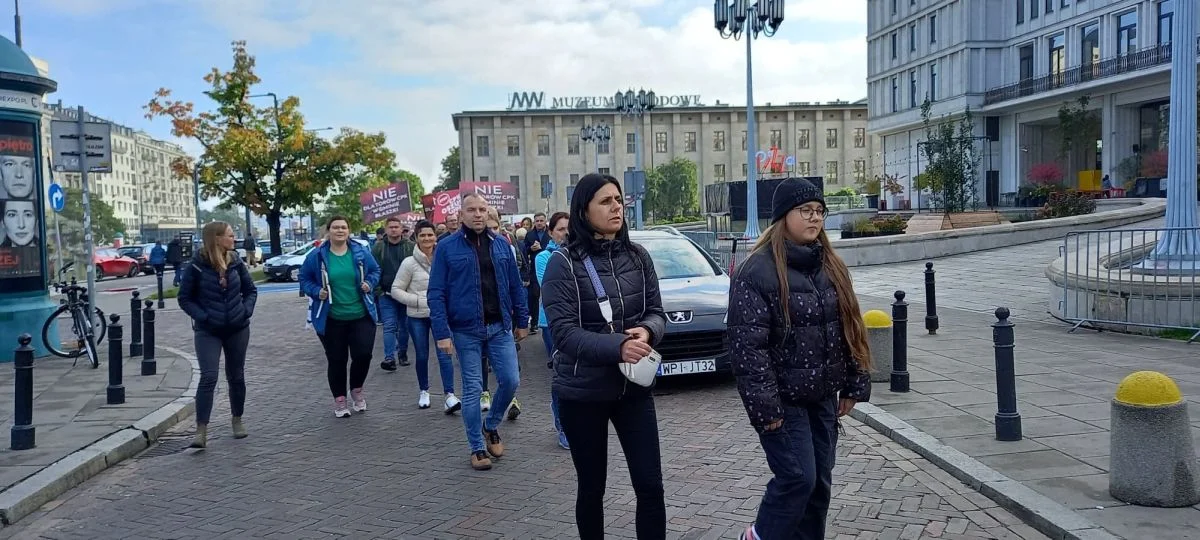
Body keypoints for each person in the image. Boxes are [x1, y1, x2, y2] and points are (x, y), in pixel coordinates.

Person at [727, 178, 872, 540]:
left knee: (819, 483)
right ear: (783, 216)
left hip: (821, 397)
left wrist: (856, 382)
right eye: (805, 211)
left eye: (820, 211)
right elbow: (748, 349)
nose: (815, 218)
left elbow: (851, 326)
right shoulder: (755, 271)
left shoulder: (831, 266)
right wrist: (767, 410)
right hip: (782, 401)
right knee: (797, 479)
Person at [541, 173, 667, 540]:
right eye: (606, 201)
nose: (617, 207)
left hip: (633, 390)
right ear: (584, 210)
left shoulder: (638, 256)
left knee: (650, 486)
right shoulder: (562, 264)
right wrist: (618, 347)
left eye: (619, 200)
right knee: (592, 488)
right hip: (582, 393)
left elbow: (657, 311)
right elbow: (563, 334)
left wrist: (647, 331)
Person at [427, 193, 529, 471]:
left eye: (482, 209)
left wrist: (522, 320)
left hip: (499, 327)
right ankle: (476, 447)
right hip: (465, 330)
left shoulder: (501, 246)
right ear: (461, 215)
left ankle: (491, 424)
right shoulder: (447, 248)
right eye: (471, 209)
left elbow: (515, 286)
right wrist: (441, 333)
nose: (477, 214)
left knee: (510, 380)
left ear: (488, 213)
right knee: (472, 389)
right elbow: (435, 293)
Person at [176, 221, 257, 449]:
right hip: (208, 330)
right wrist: (203, 316)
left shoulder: (236, 261)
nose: (234, 239)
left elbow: (250, 290)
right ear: (217, 238)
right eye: (230, 236)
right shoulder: (197, 265)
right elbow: (184, 298)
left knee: (236, 376)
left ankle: (237, 419)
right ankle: (201, 431)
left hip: (237, 328)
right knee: (209, 376)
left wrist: (245, 311)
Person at [299, 215, 381, 418]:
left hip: (360, 313)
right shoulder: (317, 255)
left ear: (348, 230)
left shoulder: (360, 252)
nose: (340, 231)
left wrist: (369, 284)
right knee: (337, 359)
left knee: (363, 355)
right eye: (335, 227)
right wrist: (317, 290)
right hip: (332, 317)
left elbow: (375, 271)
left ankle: (357, 390)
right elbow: (304, 278)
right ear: (328, 231)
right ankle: (340, 399)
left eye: (343, 227)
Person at [391, 219, 461, 413]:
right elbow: (396, 289)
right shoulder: (409, 263)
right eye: (422, 235)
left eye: (430, 234)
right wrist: (419, 300)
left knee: (445, 353)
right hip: (417, 316)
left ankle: (449, 394)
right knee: (422, 354)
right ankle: (424, 391)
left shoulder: (444, 258)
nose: (427, 238)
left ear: (435, 236)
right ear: (416, 238)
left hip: (441, 315)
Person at [534, 211, 570, 450]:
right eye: (560, 230)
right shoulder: (543, 258)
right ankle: (562, 425)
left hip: (579, 322)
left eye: (569, 230)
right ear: (550, 232)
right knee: (561, 374)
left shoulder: (579, 253)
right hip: (553, 323)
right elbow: (551, 289)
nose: (566, 234)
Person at [372, 216, 415, 371]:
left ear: (401, 228)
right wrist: (378, 291)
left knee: (404, 326)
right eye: (391, 227)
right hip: (386, 294)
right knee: (389, 325)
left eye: (396, 227)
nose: (394, 229)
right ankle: (389, 358)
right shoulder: (378, 247)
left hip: (405, 294)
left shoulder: (410, 246)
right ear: (386, 229)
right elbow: (373, 269)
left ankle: (402, 353)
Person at [524, 213, 550, 332]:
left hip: (549, 266)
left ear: (545, 222)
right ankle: (534, 322)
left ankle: (549, 320)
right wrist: (531, 249)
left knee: (548, 294)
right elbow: (524, 251)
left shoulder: (550, 233)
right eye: (537, 221)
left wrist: (542, 248)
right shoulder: (529, 235)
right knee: (534, 296)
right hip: (534, 269)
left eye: (541, 220)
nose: (539, 223)